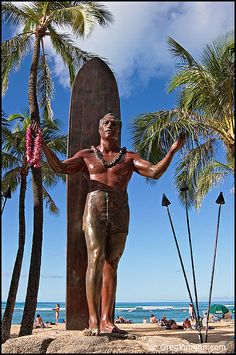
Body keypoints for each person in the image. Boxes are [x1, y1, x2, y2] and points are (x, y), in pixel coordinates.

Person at [32, 113, 186, 336]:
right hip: (94, 207)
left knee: (112, 263)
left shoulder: (129, 157)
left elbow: (154, 172)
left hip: (120, 209)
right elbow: (60, 167)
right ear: (99, 128)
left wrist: (172, 151)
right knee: (95, 257)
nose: (110, 126)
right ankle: (93, 320)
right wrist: (44, 145)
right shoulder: (86, 155)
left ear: (119, 129)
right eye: (106, 122)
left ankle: (107, 320)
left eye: (114, 124)